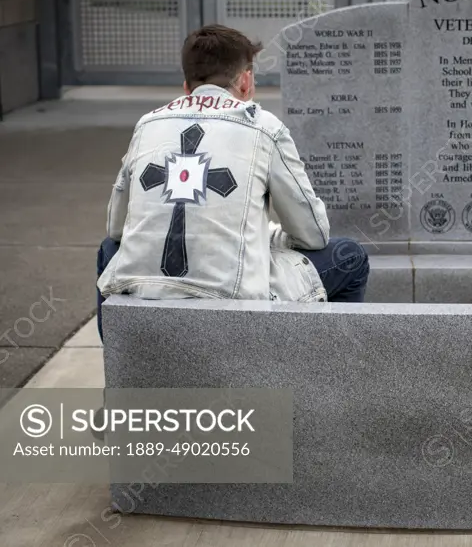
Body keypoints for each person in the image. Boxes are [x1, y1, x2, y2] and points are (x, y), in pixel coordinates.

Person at [96, 25, 369, 339]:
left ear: (186, 86)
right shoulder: (264, 127)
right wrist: (263, 235)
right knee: (349, 256)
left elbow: (116, 230)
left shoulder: (147, 123)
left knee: (109, 251)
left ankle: (121, 361)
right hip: (231, 301)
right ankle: (318, 373)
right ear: (246, 80)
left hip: (144, 298)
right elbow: (313, 235)